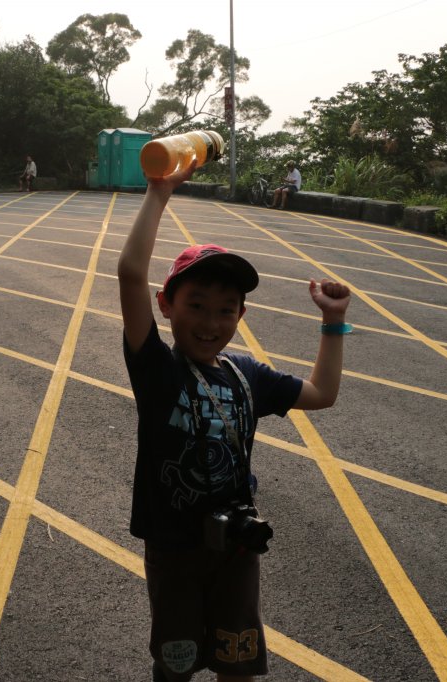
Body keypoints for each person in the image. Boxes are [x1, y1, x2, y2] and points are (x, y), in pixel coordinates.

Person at [118, 160, 351, 682]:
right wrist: (159, 193)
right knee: (175, 664)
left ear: (241, 316)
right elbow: (130, 273)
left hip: (237, 546)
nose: (210, 322)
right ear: (166, 305)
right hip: (174, 549)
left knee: (238, 659)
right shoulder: (158, 370)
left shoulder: (246, 374)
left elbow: (322, 394)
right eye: (195, 304)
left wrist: (333, 324)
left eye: (226, 310)